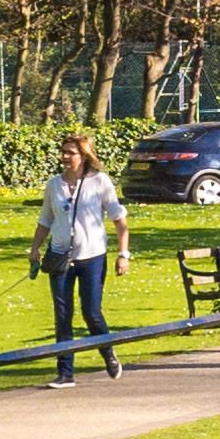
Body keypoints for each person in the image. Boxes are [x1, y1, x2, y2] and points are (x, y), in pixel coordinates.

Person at [33, 133, 129, 381]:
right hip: (60, 257)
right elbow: (46, 219)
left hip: (92, 256)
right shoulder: (54, 185)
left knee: (91, 313)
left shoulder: (99, 181)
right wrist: (35, 249)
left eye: (70, 153)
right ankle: (65, 373)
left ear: (84, 156)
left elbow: (118, 219)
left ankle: (107, 352)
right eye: (63, 152)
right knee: (62, 315)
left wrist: (123, 254)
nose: (65, 157)